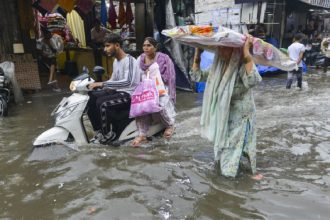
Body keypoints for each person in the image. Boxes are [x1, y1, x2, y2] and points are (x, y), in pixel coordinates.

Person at [191, 34, 263, 180]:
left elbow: (254, 80)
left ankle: (231, 175)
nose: (221, 51)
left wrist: (246, 52)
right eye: (220, 48)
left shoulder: (241, 65)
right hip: (223, 112)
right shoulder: (217, 66)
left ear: (234, 50)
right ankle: (228, 168)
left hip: (241, 113)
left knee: (236, 143)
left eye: (225, 48)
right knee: (223, 142)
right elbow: (196, 77)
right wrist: (198, 54)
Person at [87, 33, 139, 144]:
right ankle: (99, 132)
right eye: (105, 46)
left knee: (102, 103)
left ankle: (107, 135)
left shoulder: (129, 60)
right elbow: (113, 80)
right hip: (119, 92)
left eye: (107, 46)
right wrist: (96, 85)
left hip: (129, 95)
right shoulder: (116, 61)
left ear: (117, 45)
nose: (105, 49)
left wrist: (103, 84)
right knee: (91, 97)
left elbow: (128, 82)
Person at [131, 37, 176, 147]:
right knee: (140, 105)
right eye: (144, 45)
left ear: (155, 47)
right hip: (145, 87)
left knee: (161, 101)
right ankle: (142, 134)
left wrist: (153, 74)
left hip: (160, 86)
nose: (146, 48)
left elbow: (168, 76)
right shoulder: (140, 59)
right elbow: (136, 75)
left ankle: (170, 125)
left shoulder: (163, 59)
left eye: (149, 45)